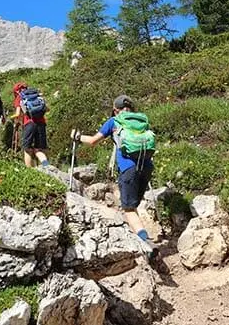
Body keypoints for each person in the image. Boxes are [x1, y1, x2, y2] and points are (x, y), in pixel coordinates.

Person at [71, 94, 157, 258]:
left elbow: (92, 142)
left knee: (128, 209)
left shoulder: (114, 121)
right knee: (133, 204)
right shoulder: (141, 121)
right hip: (146, 167)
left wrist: (77, 137)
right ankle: (143, 237)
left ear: (115, 110)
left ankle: (146, 243)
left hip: (128, 169)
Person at [11, 82, 50, 168]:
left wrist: (11, 118)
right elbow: (47, 109)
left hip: (29, 124)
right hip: (41, 124)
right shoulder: (36, 95)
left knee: (27, 149)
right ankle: (46, 166)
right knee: (39, 149)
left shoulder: (20, 97)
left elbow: (17, 114)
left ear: (17, 91)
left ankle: (30, 171)